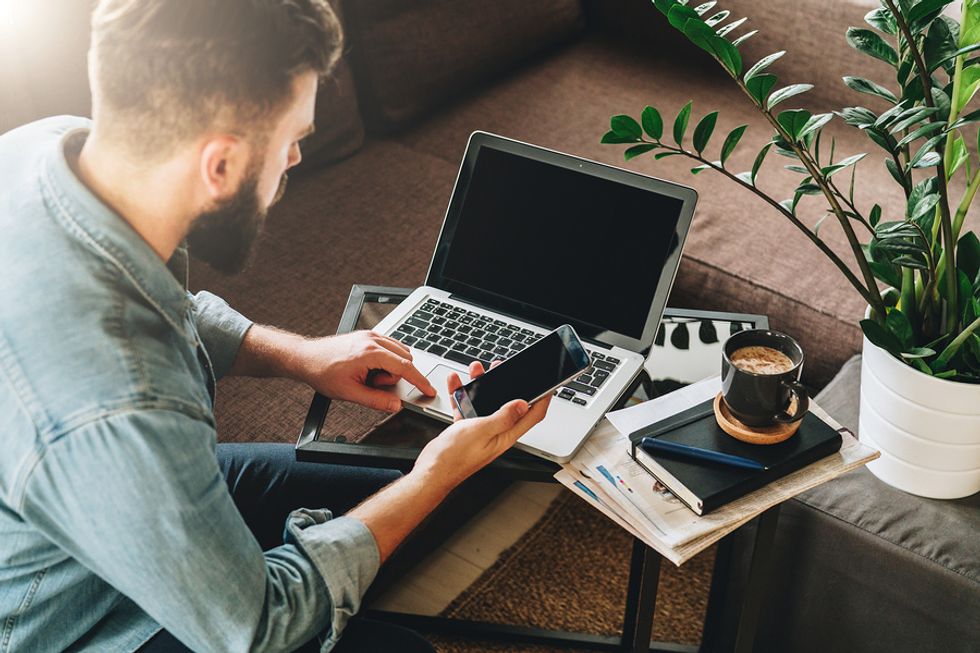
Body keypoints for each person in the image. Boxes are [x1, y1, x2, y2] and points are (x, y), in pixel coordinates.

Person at [0, 1, 551, 651]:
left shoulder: (44, 148)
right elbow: (254, 628)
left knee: (407, 496)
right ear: (222, 165)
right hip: (79, 611)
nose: (292, 158)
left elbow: (159, 309)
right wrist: (434, 475)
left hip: (125, 491)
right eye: (292, 137)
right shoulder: (124, 403)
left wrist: (301, 355)